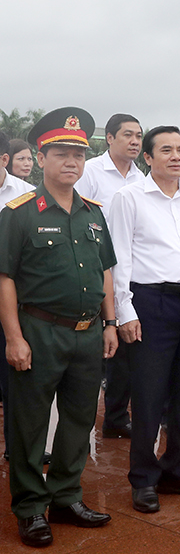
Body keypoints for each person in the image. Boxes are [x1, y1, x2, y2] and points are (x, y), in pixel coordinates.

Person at [0, 108, 118, 546]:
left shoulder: (92, 213)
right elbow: (5, 278)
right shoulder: (19, 213)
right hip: (38, 331)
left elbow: (106, 270)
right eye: (61, 153)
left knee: (79, 420)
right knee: (29, 424)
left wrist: (110, 322)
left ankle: (66, 496)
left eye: (78, 155)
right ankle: (30, 507)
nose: (71, 162)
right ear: (41, 156)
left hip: (88, 333)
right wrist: (14, 337)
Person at [107, 125, 180, 514]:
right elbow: (119, 258)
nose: (175, 156)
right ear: (149, 157)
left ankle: (177, 467)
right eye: (165, 150)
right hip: (151, 302)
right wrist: (125, 311)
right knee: (150, 394)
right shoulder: (129, 198)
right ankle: (143, 477)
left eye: (178, 149)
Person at [77, 113, 144, 441]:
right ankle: (80, 426)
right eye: (128, 135)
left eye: (138, 137)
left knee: (126, 349)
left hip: (128, 267)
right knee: (101, 343)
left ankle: (117, 416)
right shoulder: (91, 171)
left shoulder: (139, 177)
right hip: (93, 266)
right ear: (110, 138)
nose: (134, 142)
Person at [0, 131, 34, 460]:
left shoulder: (26, 197)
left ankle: (19, 448)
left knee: (15, 382)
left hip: (12, 302)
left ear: (4, 160)